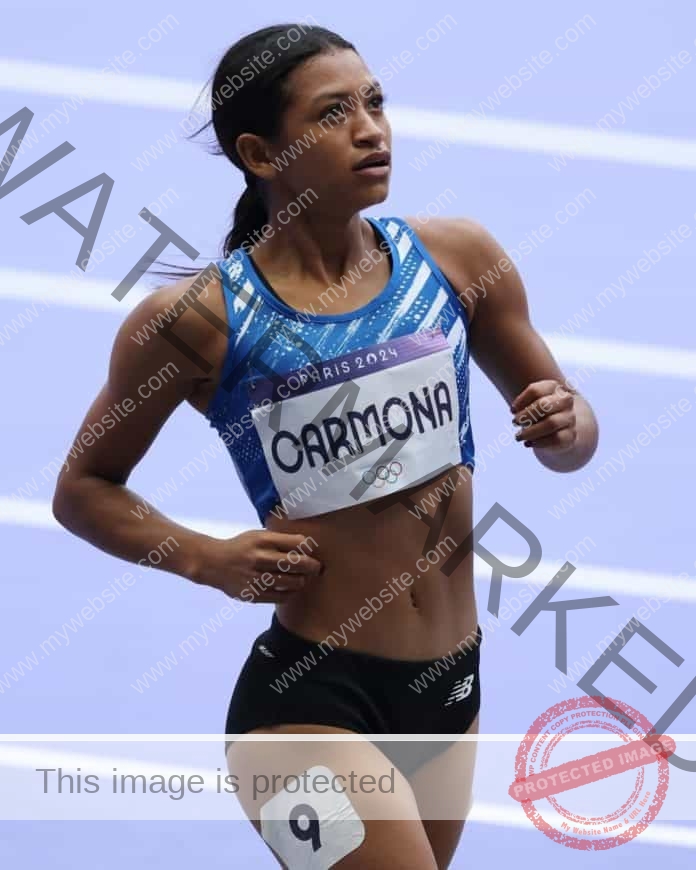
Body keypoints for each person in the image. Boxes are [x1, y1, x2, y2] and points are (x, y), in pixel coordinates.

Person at [53, 23, 599, 870]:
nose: (372, 127)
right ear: (260, 153)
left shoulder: (459, 261)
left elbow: (571, 442)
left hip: (448, 691)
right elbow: (84, 487)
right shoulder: (197, 322)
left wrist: (570, 423)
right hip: (305, 707)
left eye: (376, 102)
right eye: (334, 112)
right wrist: (205, 557)